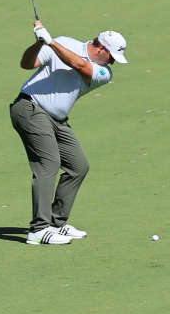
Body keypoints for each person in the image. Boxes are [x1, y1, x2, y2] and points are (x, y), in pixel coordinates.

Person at [10, 20, 129, 245]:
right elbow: (27, 64)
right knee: (49, 164)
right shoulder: (66, 43)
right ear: (102, 49)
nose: (113, 62)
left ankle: (56, 223)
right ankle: (39, 229)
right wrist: (38, 44)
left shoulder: (104, 72)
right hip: (29, 107)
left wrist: (51, 42)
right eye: (112, 56)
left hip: (58, 120)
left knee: (78, 166)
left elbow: (80, 66)